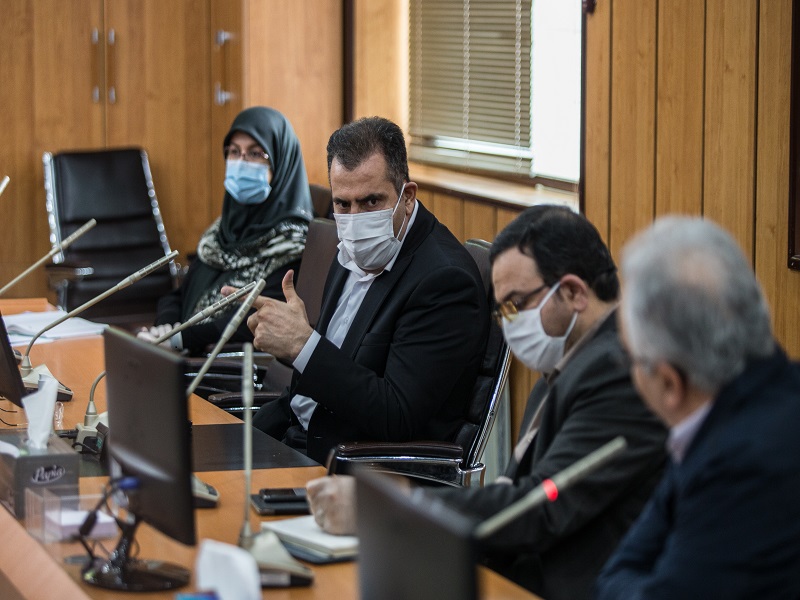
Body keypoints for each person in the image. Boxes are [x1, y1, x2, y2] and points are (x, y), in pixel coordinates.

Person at [306, 205, 668, 600]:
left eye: (516, 305)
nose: (509, 325)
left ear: (573, 292)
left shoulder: (622, 374)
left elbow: (542, 504)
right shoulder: (570, 364)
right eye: (502, 311)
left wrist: (389, 510)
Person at [241, 116, 489, 464]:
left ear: (407, 197)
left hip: (351, 467)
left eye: (371, 202)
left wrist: (303, 346)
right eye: (343, 204)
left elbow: (396, 414)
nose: (355, 219)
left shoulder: (445, 282)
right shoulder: (350, 248)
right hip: (291, 433)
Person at [594, 217, 800, 599]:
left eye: (630, 360)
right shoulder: (751, 401)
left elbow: (630, 584)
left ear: (669, 383)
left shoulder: (739, 466)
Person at [138, 106, 313, 355]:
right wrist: (164, 327)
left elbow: (251, 321)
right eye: (234, 152)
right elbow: (179, 295)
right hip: (182, 356)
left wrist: (179, 338)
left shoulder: (293, 245)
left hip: (223, 368)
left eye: (255, 153)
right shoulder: (221, 232)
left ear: (281, 162)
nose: (241, 162)